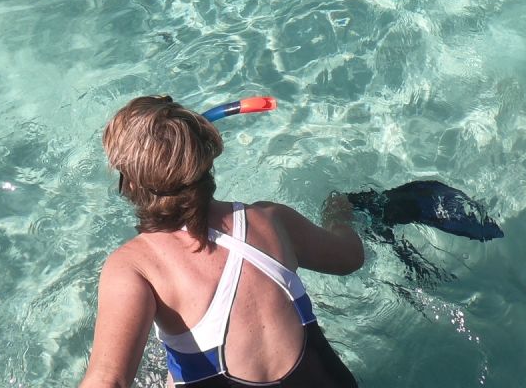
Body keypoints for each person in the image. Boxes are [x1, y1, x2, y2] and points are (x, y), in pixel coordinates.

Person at [79, 95, 363, 388]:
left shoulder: (135, 265)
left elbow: (108, 379)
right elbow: (350, 258)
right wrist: (338, 216)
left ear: (131, 183)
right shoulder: (271, 220)